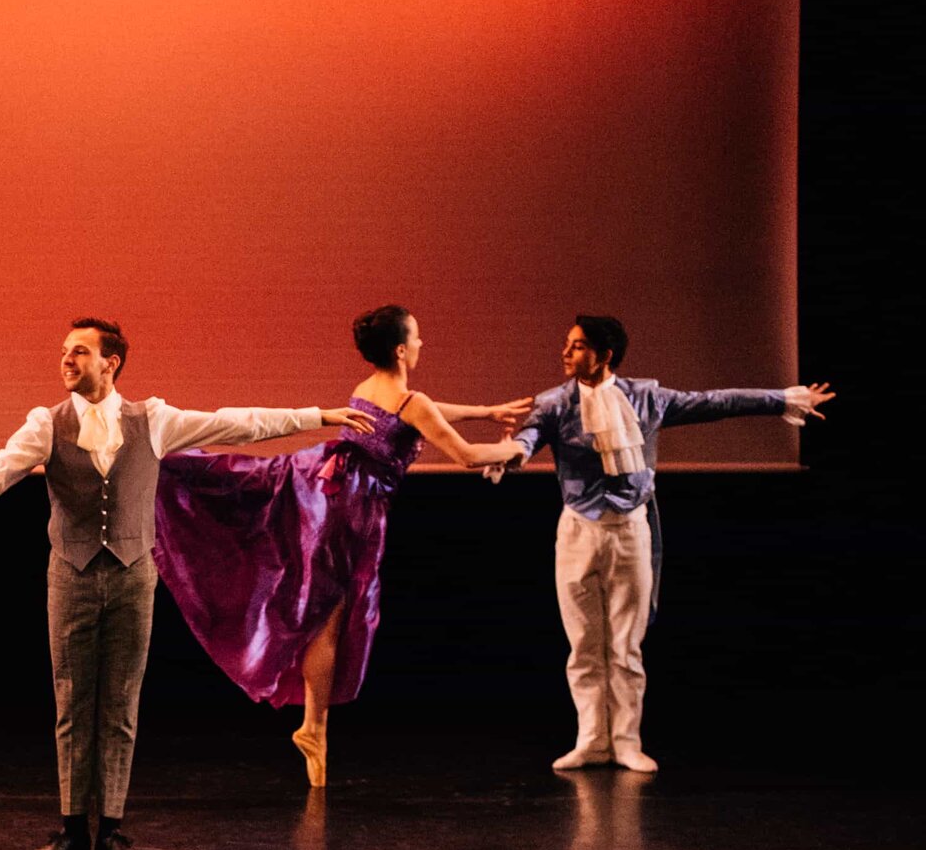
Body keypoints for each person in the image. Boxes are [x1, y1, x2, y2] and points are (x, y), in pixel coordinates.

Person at [0, 318, 375, 850]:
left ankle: (112, 831)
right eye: (64, 352)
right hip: (71, 576)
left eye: (79, 352)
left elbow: (236, 424)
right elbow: (4, 467)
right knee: (72, 703)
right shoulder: (46, 423)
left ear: (111, 362)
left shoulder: (152, 419)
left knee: (122, 703)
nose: (66, 360)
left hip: (131, 576)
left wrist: (316, 417)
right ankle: (74, 829)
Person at [153, 305, 530, 789]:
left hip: (324, 487)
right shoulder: (410, 400)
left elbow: (423, 413)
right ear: (400, 349)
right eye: (416, 337)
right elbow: (465, 454)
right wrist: (513, 449)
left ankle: (314, 727)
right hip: (350, 508)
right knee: (329, 617)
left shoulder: (371, 388)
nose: (421, 344)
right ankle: (313, 727)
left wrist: (485, 411)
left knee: (324, 614)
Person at [504, 314, 832, 774]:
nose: (565, 352)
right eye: (567, 344)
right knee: (583, 643)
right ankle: (591, 740)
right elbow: (528, 437)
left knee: (625, 642)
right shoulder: (555, 403)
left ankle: (625, 742)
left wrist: (781, 399)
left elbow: (715, 402)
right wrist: (513, 454)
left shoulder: (645, 397)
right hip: (579, 528)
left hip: (630, 528)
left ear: (605, 354)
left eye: (577, 346)